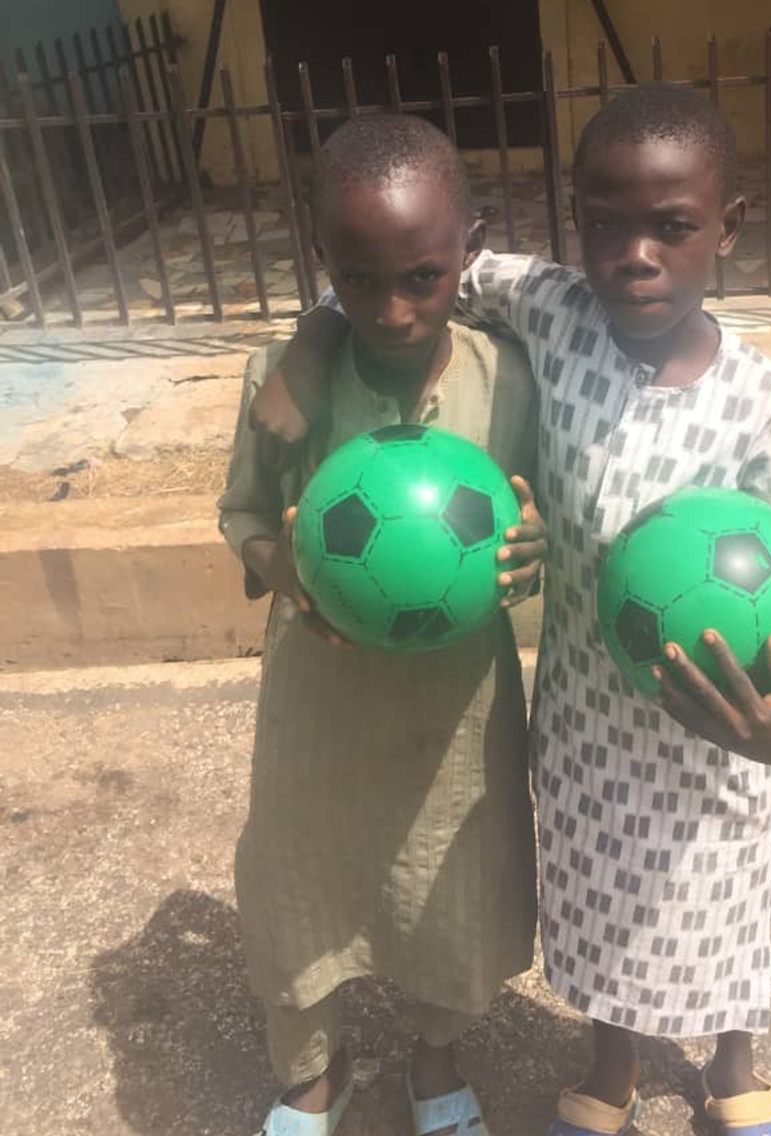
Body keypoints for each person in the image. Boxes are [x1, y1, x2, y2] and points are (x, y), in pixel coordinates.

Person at [253, 85, 771, 1136]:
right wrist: (311, 335)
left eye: (673, 226)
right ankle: (610, 1071)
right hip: (588, 723)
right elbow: (406, 259)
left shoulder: (770, 410)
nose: (635, 256)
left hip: (714, 726)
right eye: (605, 224)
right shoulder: (554, 313)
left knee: (728, 881)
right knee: (605, 896)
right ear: (576, 225)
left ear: (730, 227)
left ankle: (734, 1067)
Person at [220, 114, 546, 1136]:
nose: (393, 309)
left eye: (423, 277)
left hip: (456, 709)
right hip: (318, 705)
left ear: (467, 251)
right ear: (324, 262)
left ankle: (435, 1061)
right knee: (298, 879)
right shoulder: (283, 382)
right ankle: (311, 1075)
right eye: (358, 282)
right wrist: (281, 568)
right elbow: (240, 516)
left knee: (451, 884)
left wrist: (535, 552)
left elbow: (538, 523)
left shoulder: (508, 380)